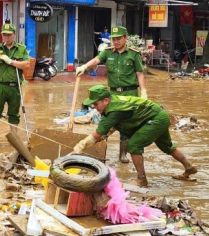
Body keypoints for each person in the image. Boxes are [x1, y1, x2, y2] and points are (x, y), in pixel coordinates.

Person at [73, 85, 197, 187]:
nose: (94, 108)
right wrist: (108, 132)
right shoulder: (114, 102)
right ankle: (189, 168)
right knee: (167, 146)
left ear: (106, 100)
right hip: (160, 115)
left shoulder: (113, 111)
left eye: (96, 104)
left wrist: (80, 145)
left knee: (134, 145)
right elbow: (115, 124)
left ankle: (142, 180)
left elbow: (98, 134)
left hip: (155, 119)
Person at [75, 26, 147, 163]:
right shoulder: (107, 53)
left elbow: (139, 73)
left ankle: (123, 155)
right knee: (106, 123)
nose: (116, 41)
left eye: (119, 38)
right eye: (114, 39)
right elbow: (96, 60)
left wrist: (143, 91)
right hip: (112, 95)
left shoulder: (134, 54)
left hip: (130, 94)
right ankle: (100, 154)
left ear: (126, 38)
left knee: (126, 125)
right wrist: (84, 67)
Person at [0, 23, 30, 145]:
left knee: (14, 114)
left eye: (9, 35)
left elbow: (27, 65)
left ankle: (14, 140)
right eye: (4, 35)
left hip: (14, 87)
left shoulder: (21, 49)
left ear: (14, 35)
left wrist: (10, 61)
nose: (6, 37)